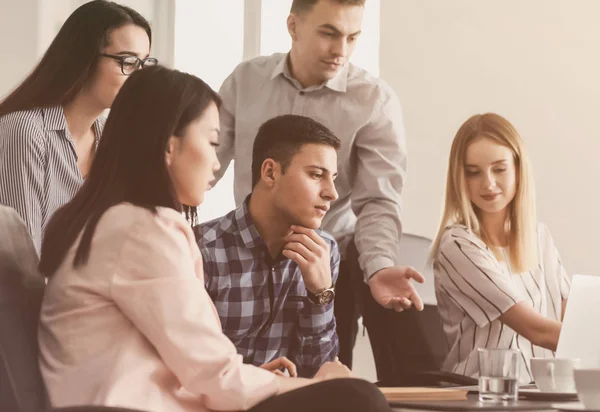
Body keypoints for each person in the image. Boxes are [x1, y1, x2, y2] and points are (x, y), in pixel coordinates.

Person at [37, 66, 393, 412]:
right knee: (359, 399)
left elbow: (206, 368)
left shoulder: (118, 221)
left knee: (352, 396)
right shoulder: (143, 230)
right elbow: (218, 377)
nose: (215, 162)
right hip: (130, 405)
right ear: (168, 147)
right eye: (211, 142)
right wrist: (315, 386)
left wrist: (264, 376)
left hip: (161, 397)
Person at [213, 0, 424, 380]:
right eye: (329, 33)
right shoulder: (246, 81)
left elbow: (378, 200)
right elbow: (206, 161)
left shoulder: (374, 101)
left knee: (324, 380)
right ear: (293, 26)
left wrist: (376, 267)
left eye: (352, 37)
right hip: (242, 256)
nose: (341, 49)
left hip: (327, 263)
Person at [0, 0, 156, 253]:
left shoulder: (113, 138)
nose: (138, 76)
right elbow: (23, 263)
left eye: (144, 63)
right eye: (127, 61)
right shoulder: (26, 131)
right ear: (85, 58)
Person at [196, 114, 340, 378]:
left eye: (333, 178)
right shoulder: (202, 250)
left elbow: (321, 374)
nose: (332, 193)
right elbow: (188, 366)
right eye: (317, 175)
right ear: (270, 172)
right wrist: (253, 381)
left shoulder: (325, 251)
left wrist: (320, 294)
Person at [430, 113, 571, 384]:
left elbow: (570, 316)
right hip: (481, 393)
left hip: (544, 390)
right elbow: (535, 330)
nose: (488, 184)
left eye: (499, 169)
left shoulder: (540, 237)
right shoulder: (458, 245)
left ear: (518, 169)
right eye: (474, 173)